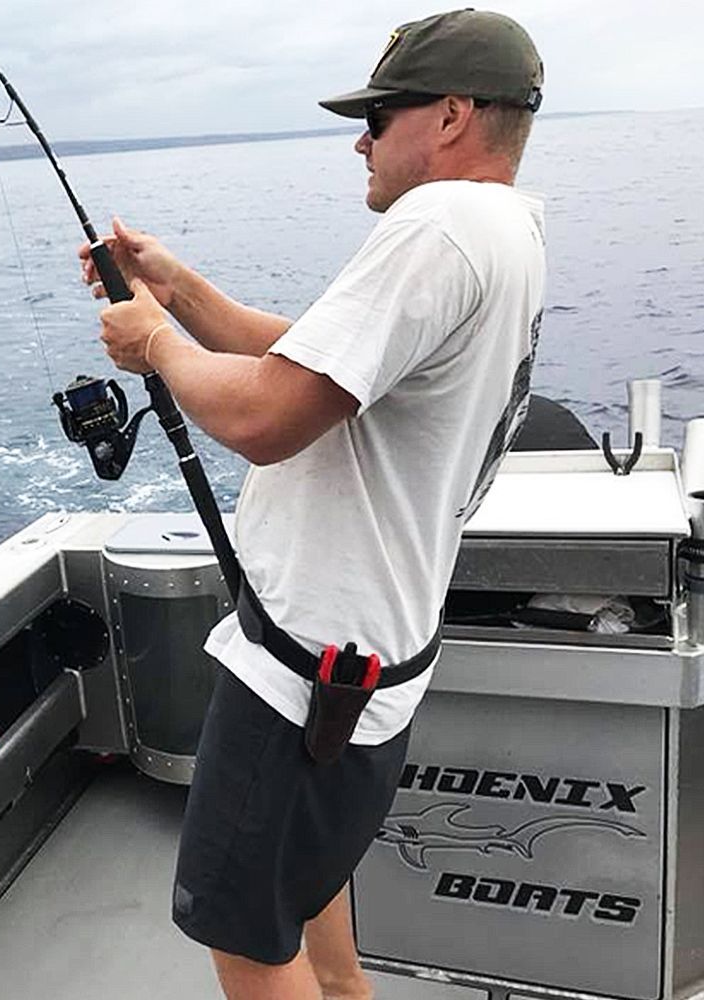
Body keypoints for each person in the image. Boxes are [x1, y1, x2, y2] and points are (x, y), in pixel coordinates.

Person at [80, 10, 546, 999]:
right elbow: (305, 347)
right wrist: (173, 285)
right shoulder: (507, 228)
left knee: (243, 931)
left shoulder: (438, 224)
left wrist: (151, 344)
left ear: (453, 114)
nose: (360, 139)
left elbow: (263, 416)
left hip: (305, 675)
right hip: (370, 662)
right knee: (305, 906)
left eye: (379, 116)